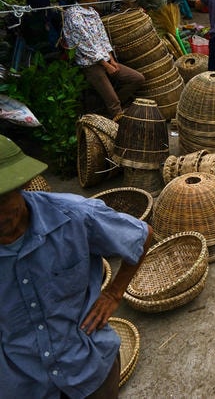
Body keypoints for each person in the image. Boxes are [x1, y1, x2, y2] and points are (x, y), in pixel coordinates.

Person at [0, 134, 154, 398]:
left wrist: (113, 293)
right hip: (22, 385)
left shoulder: (75, 216)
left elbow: (143, 235)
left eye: (1, 202)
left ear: (21, 186)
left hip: (89, 368)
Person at [62, 0, 145, 118]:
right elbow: (85, 46)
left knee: (137, 79)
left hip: (105, 59)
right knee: (114, 103)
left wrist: (111, 59)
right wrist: (105, 65)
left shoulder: (93, 13)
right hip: (91, 64)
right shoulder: (74, 16)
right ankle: (116, 118)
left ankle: (105, 109)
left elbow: (103, 38)